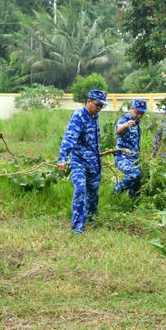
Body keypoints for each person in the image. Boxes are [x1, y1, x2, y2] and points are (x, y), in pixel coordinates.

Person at [58, 89, 106, 233]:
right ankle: (77, 227)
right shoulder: (78, 116)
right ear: (88, 101)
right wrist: (62, 158)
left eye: (101, 106)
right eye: (97, 105)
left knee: (93, 193)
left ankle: (91, 218)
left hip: (93, 162)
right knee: (80, 190)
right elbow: (69, 137)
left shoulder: (94, 117)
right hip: (78, 161)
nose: (99, 108)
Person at [113, 99, 147, 197]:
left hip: (135, 159)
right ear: (131, 109)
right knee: (135, 174)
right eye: (137, 112)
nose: (139, 116)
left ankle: (133, 202)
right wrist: (125, 125)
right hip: (123, 157)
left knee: (137, 183)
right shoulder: (124, 120)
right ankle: (115, 192)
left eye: (141, 114)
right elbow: (118, 130)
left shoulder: (137, 123)